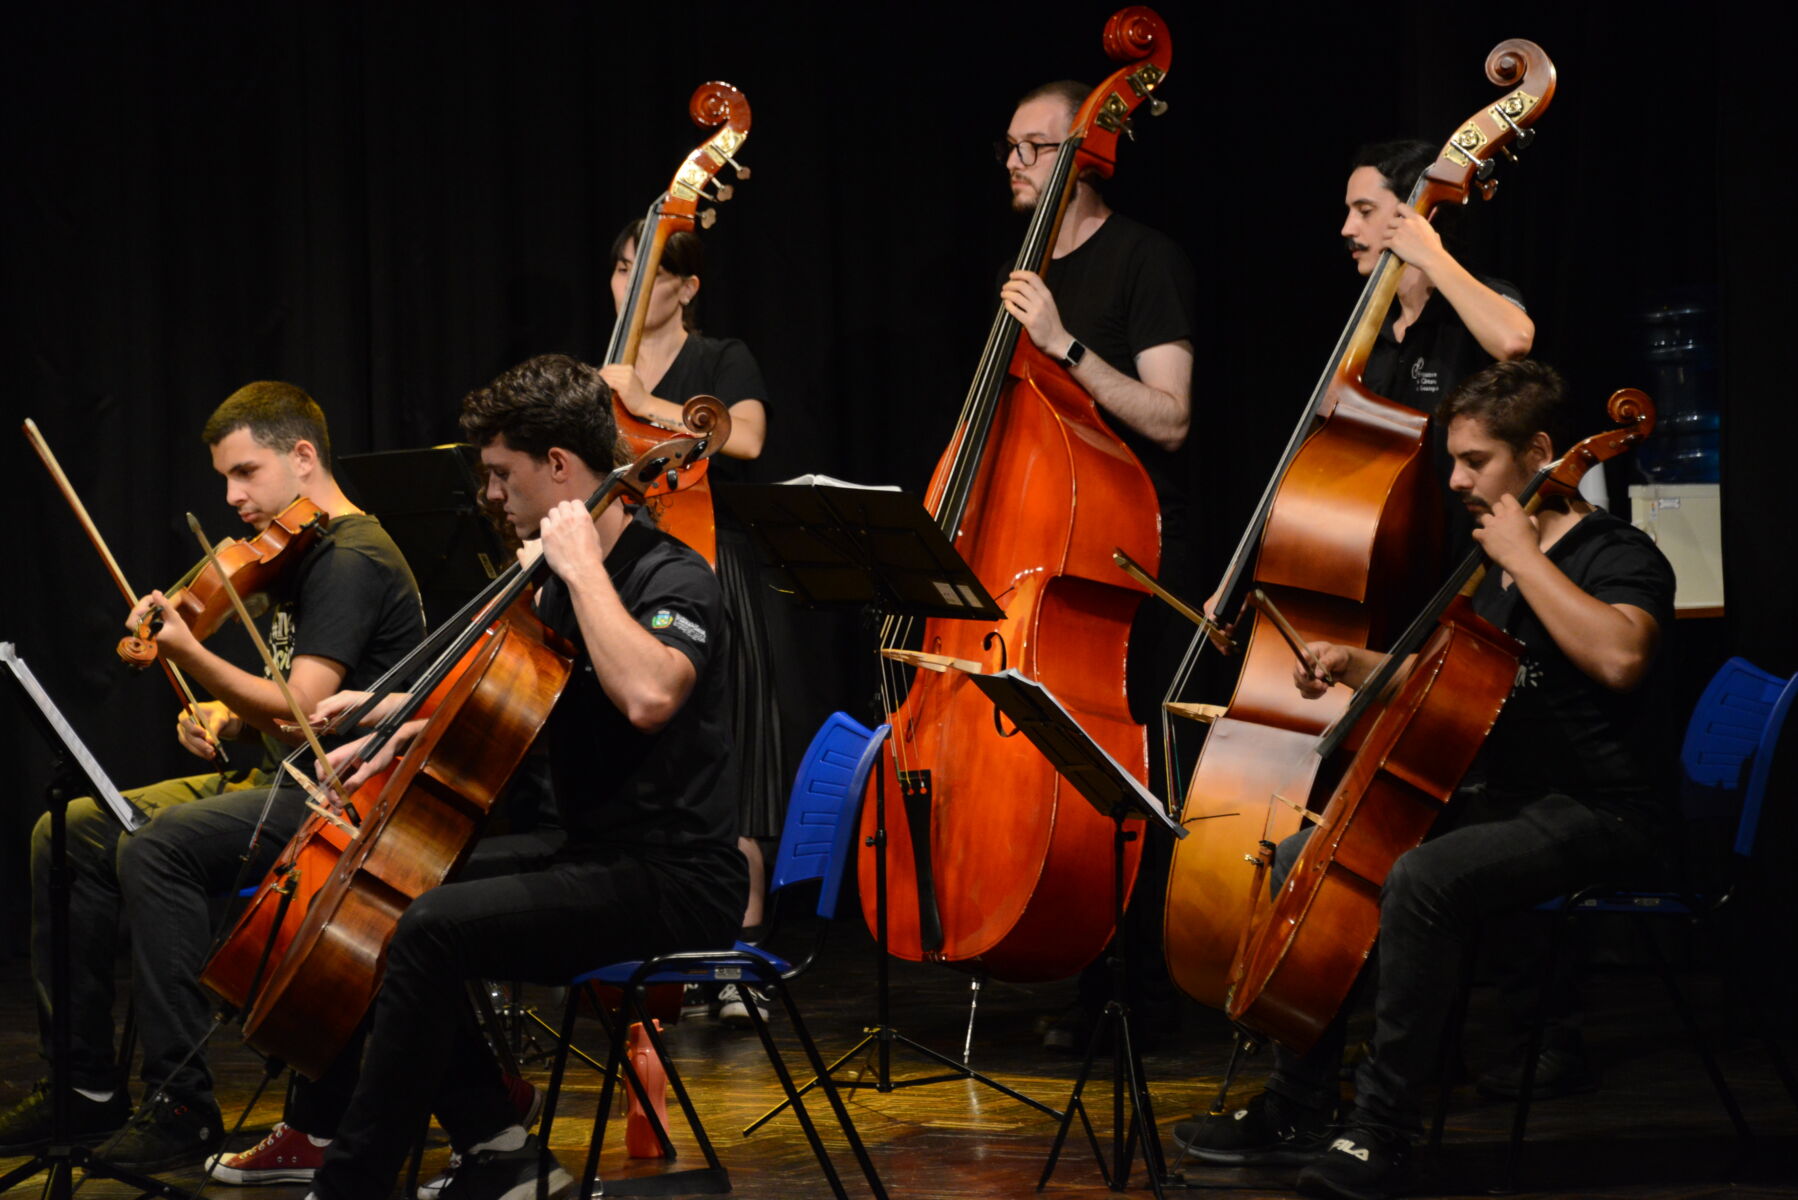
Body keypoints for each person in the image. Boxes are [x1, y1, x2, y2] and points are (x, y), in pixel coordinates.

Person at [1172, 360, 1676, 1200]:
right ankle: (1298, 1104)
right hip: (1513, 802)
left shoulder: (1615, 553)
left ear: (1539, 452)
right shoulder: (1497, 562)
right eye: (1455, 461)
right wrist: (1356, 663)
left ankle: (1384, 1132)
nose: (1456, 481)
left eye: (1475, 461)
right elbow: (1459, 686)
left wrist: (1527, 559)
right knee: (1311, 853)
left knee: (1422, 879)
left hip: (1605, 811)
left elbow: (1623, 658)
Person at [300, 353, 745, 1200]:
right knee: (388, 901)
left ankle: (353, 1184)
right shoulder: (554, 585)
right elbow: (520, 706)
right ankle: (497, 1147)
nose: (491, 495)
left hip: (677, 877)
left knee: (431, 929)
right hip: (589, 853)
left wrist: (581, 569)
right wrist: (399, 730)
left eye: (504, 474)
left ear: (561, 467)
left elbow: (649, 695)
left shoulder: (672, 575)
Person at [0, 383, 424, 1168]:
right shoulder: (297, 552)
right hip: (278, 778)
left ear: (303, 457)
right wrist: (227, 714)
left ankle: (181, 1103)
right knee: (69, 831)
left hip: (341, 798)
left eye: (245, 472)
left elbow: (302, 707)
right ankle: (81, 1085)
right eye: (225, 477)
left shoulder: (352, 557)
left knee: (155, 846)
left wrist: (191, 655)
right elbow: (288, 700)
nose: (231, 497)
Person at [996, 78, 1199, 1053]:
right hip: (1047, 562)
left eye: (1031, 148)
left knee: (1135, 774)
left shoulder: (1143, 259)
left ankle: (1147, 993)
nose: (1012, 164)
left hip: (1132, 558)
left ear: (1082, 155)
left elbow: (1171, 415)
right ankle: (1087, 976)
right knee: (1069, 774)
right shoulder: (1025, 268)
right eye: (1009, 148)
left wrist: (1060, 342)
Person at [603, 219, 782, 1026]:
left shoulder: (719, 358)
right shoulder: (602, 370)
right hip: (626, 576)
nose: (629, 285)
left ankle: (740, 960)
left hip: (709, 566)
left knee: (730, 758)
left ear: (687, 286)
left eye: (647, 270)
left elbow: (748, 438)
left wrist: (647, 404)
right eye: (621, 270)